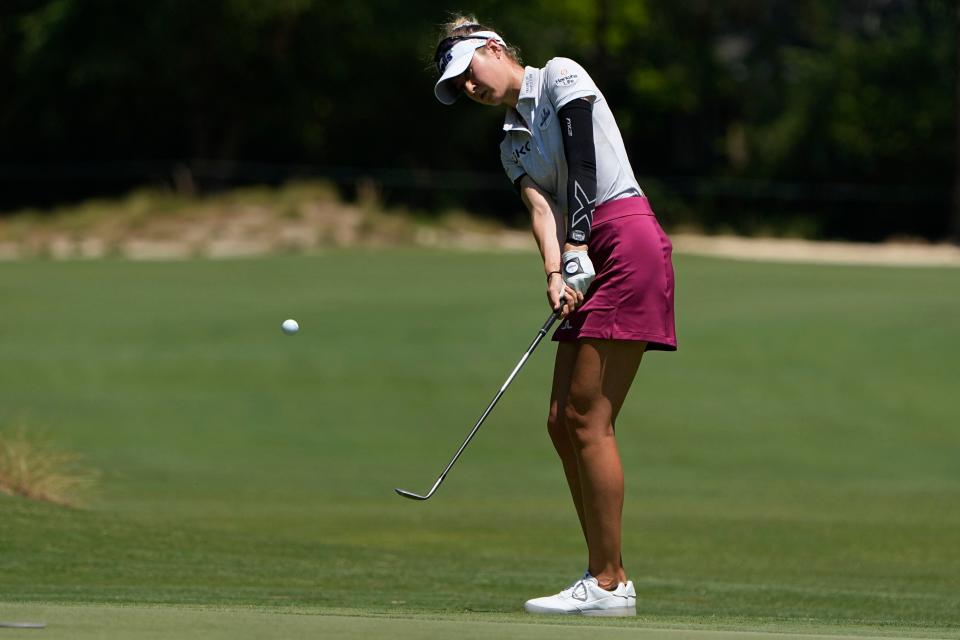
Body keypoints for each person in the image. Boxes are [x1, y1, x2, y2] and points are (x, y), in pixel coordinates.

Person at [432, 15, 677, 617]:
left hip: (623, 236)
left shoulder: (562, 75)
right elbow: (540, 208)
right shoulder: (510, 142)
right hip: (580, 251)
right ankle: (602, 573)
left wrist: (576, 247)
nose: (468, 88)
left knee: (587, 416)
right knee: (559, 420)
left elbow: (582, 159)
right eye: (457, 86)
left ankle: (611, 582)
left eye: (468, 72)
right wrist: (554, 272)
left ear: (493, 49)